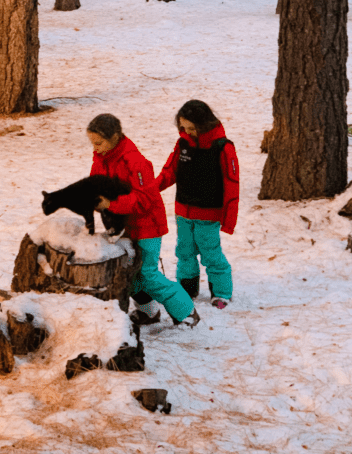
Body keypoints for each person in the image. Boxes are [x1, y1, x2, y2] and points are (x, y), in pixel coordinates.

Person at [87, 113, 200, 329]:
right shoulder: (100, 158)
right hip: (124, 226)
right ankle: (149, 312)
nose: (95, 147)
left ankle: (187, 312)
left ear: (115, 137)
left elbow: (144, 199)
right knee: (127, 273)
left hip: (148, 226)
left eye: (99, 142)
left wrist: (111, 205)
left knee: (148, 274)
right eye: (93, 143)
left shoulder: (135, 162)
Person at [157, 100, 239, 309]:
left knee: (211, 253)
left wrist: (228, 221)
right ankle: (187, 289)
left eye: (192, 128)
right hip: (183, 211)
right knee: (184, 252)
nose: (188, 132)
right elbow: (170, 171)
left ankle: (221, 292)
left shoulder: (223, 147)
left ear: (205, 124)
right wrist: (151, 189)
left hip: (209, 213)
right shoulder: (182, 144)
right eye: (184, 127)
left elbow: (232, 185)